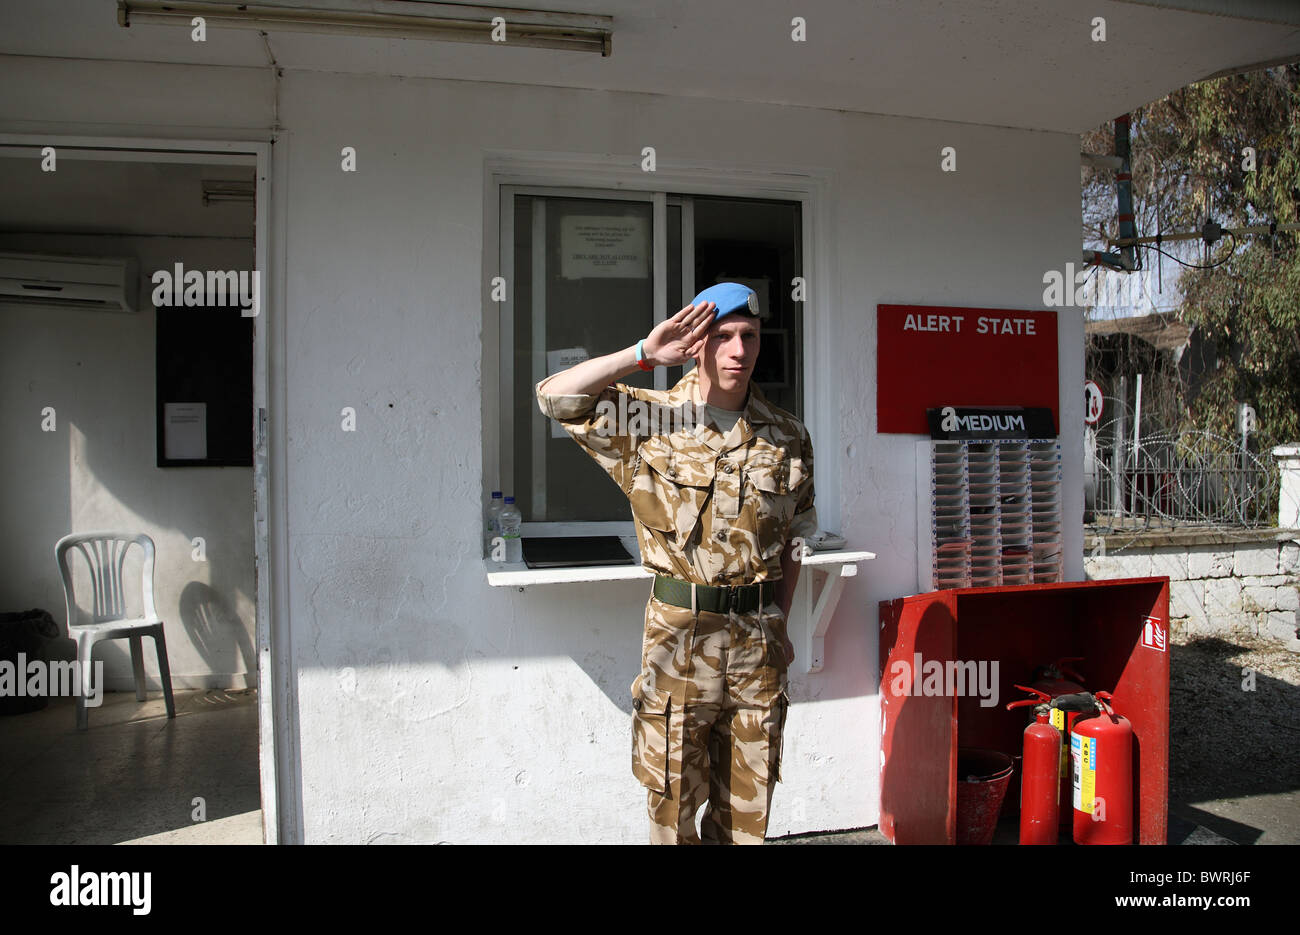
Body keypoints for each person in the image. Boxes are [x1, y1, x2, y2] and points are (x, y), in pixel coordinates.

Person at [535, 282, 817, 844]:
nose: (738, 349)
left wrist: (782, 624)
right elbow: (556, 398)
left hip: (758, 644)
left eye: (749, 336)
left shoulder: (787, 435)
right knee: (672, 806)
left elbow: (792, 542)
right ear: (697, 344)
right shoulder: (651, 422)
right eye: (722, 336)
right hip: (679, 641)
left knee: (747, 809)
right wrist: (642, 354)